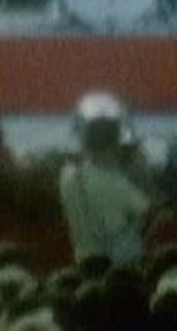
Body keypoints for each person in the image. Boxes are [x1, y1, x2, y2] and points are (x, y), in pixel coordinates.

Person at [58, 92, 152, 266]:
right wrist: (140, 169)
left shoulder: (67, 176)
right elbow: (150, 214)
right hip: (120, 267)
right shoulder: (116, 185)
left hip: (84, 261)